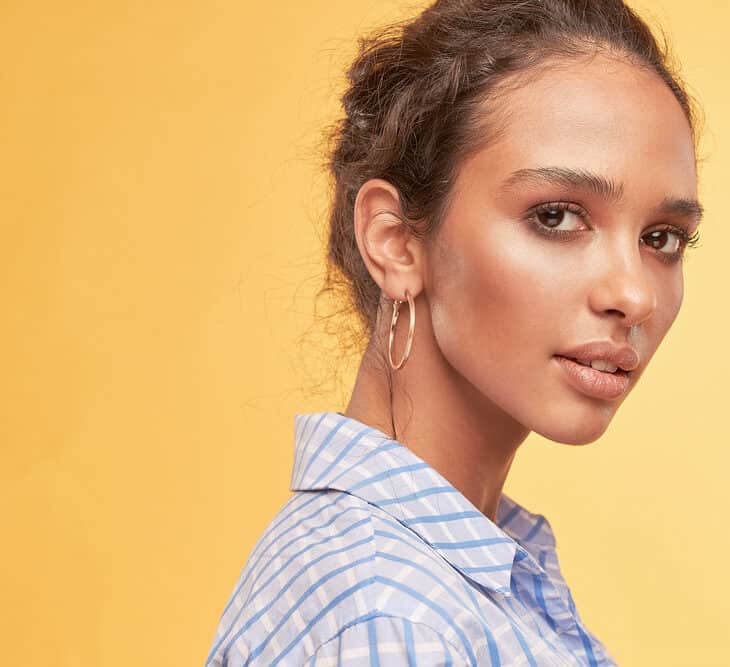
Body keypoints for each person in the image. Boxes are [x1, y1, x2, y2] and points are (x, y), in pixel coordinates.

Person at [205, 0, 702, 663]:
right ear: (397, 243)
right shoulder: (393, 618)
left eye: (662, 237)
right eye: (556, 217)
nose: (634, 293)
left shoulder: (464, 578)